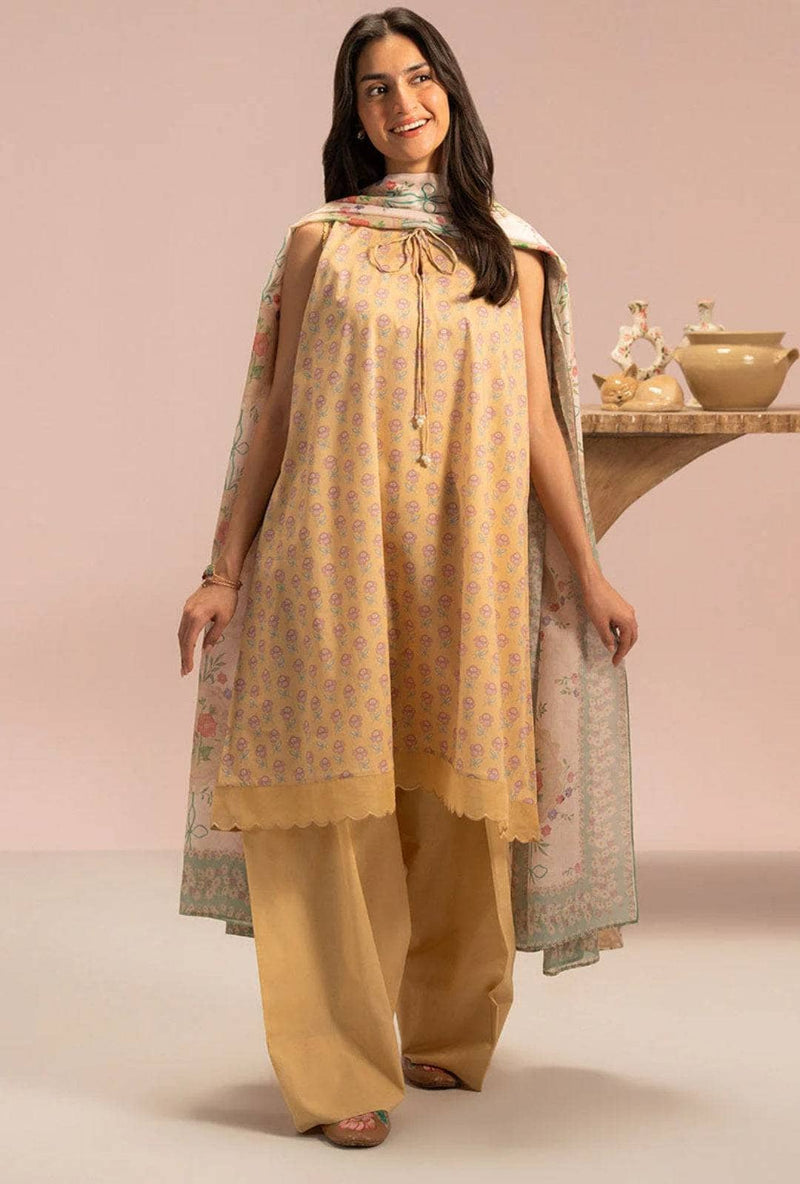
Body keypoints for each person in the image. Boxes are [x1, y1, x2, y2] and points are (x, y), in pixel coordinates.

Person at [177, 6, 638, 1150]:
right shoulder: (318, 242)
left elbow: (537, 421)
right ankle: (335, 1061)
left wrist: (588, 571)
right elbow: (276, 410)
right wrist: (222, 567)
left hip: (467, 557)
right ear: (353, 116)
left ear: (451, 93)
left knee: (457, 794)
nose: (401, 103)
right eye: (375, 88)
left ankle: (447, 1020)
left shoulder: (512, 252)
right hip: (329, 550)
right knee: (332, 802)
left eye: (419, 78)